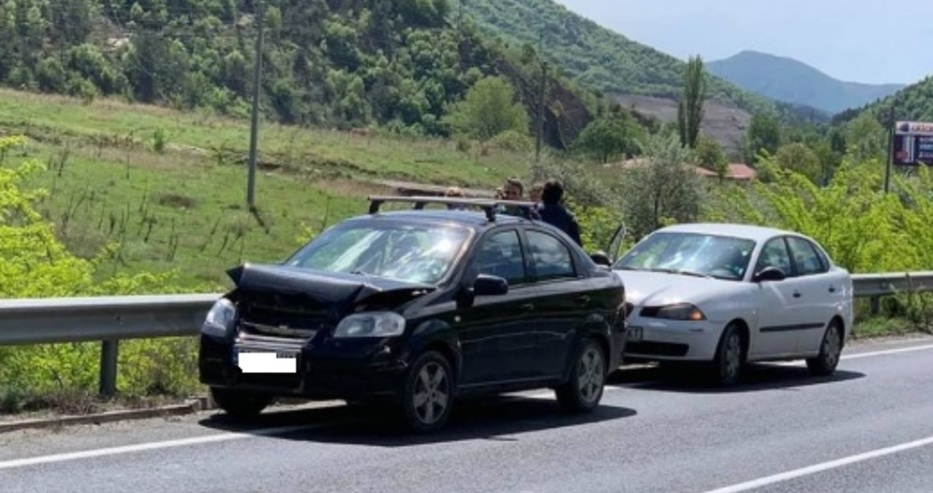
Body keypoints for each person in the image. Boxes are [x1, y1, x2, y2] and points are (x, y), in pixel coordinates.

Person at [536, 179, 582, 246]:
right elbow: (576, 245)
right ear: (560, 195)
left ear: (543, 193)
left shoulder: (534, 212)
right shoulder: (569, 217)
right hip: (559, 251)